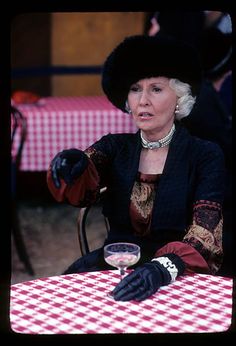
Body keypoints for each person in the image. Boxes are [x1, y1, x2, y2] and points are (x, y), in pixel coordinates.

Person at [47, 34, 226, 301]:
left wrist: (163, 268)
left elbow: (206, 232)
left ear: (179, 97)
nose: (142, 100)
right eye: (134, 89)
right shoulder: (114, 147)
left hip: (179, 272)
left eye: (156, 89)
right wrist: (72, 164)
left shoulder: (204, 155)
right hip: (115, 265)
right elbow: (84, 180)